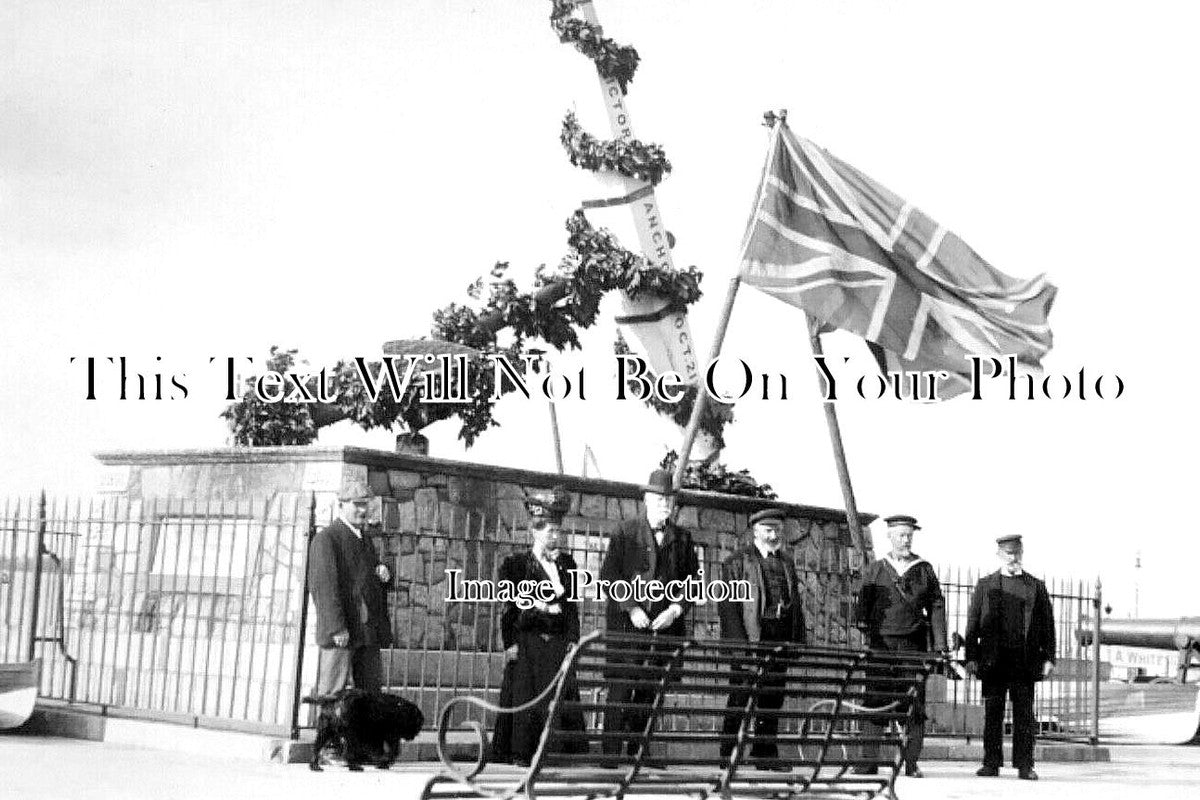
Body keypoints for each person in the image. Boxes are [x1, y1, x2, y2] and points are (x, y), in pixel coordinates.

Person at [599, 468, 702, 758]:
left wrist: (676, 608)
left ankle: (637, 753)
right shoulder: (625, 531)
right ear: (646, 499)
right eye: (658, 499)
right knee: (620, 690)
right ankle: (609, 755)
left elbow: (694, 581)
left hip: (663, 627)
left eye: (669, 500)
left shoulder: (682, 538)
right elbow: (609, 575)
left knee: (650, 692)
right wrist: (631, 608)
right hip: (628, 627)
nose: (664, 505)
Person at [491, 487, 586, 766]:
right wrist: (510, 643)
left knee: (558, 697)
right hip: (528, 645)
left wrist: (573, 639)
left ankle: (557, 753)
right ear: (534, 531)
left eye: (557, 531)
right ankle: (522, 753)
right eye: (548, 532)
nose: (554, 537)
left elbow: (571, 608)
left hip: (557, 645)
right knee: (527, 698)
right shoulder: (516, 565)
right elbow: (510, 609)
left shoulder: (567, 565)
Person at [854, 514, 947, 778]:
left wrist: (939, 644)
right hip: (880, 646)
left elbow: (937, 606)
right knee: (874, 701)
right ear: (890, 537)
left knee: (913, 704)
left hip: (913, 646)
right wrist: (863, 624)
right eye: (900, 535)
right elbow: (863, 602)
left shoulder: (923, 569)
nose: (905, 540)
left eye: (909, 535)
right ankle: (868, 762)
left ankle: (911, 762)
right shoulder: (877, 568)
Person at [717, 508, 807, 768]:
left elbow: (795, 603)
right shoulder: (737, 561)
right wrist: (739, 645)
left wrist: (795, 639)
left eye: (777, 529)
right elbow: (728, 606)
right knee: (740, 698)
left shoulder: (786, 562)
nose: (773, 534)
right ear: (755, 531)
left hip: (777, 637)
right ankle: (728, 755)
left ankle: (765, 754)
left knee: (772, 699)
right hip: (750, 638)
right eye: (768, 530)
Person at [964, 534, 1056, 781]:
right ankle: (991, 763)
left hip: (1024, 663)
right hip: (994, 662)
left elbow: (1048, 624)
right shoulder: (986, 585)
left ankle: (1025, 766)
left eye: (1017, 552)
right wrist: (971, 657)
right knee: (993, 714)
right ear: (999, 555)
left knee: (1024, 716)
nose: (1013, 557)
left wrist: (1049, 658)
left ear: (1022, 553)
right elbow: (972, 623)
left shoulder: (1035, 586)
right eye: (1008, 553)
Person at [309, 480, 393, 696]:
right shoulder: (327, 539)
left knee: (370, 695)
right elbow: (324, 587)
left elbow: (364, 578)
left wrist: (383, 571)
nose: (363, 510)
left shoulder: (364, 538)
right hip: (342, 632)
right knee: (331, 693)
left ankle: (363, 732)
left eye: (365, 504)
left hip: (367, 631)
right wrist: (336, 627)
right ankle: (326, 731)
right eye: (357, 504)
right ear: (341, 505)